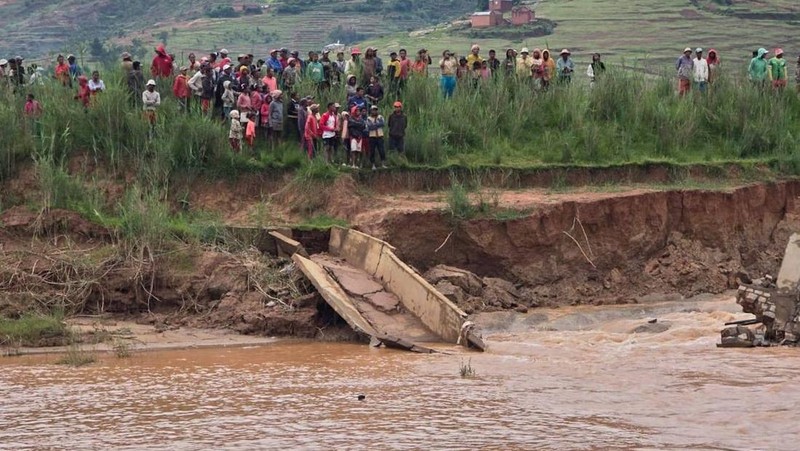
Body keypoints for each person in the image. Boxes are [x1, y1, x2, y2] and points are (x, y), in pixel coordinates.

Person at [366, 105, 386, 170]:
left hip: (380, 135)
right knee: (372, 151)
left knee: (382, 150)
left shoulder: (380, 117)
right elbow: (370, 127)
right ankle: (373, 165)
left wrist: (374, 125)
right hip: (372, 136)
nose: (374, 111)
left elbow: (382, 124)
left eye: (375, 110)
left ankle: (383, 164)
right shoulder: (368, 118)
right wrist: (377, 125)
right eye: (373, 110)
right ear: (371, 111)